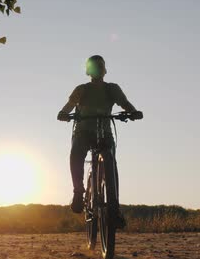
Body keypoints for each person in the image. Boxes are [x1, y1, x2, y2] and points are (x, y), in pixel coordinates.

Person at [57, 55, 142, 224]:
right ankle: (78, 191)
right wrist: (64, 113)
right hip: (83, 132)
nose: (97, 69)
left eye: (100, 66)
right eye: (94, 67)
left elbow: (124, 103)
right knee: (76, 155)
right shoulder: (81, 89)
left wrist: (133, 112)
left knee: (111, 163)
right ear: (88, 71)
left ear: (105, 70)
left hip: (104, 132)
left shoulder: (112, 89)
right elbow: (69, 105)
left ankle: (114, 208)